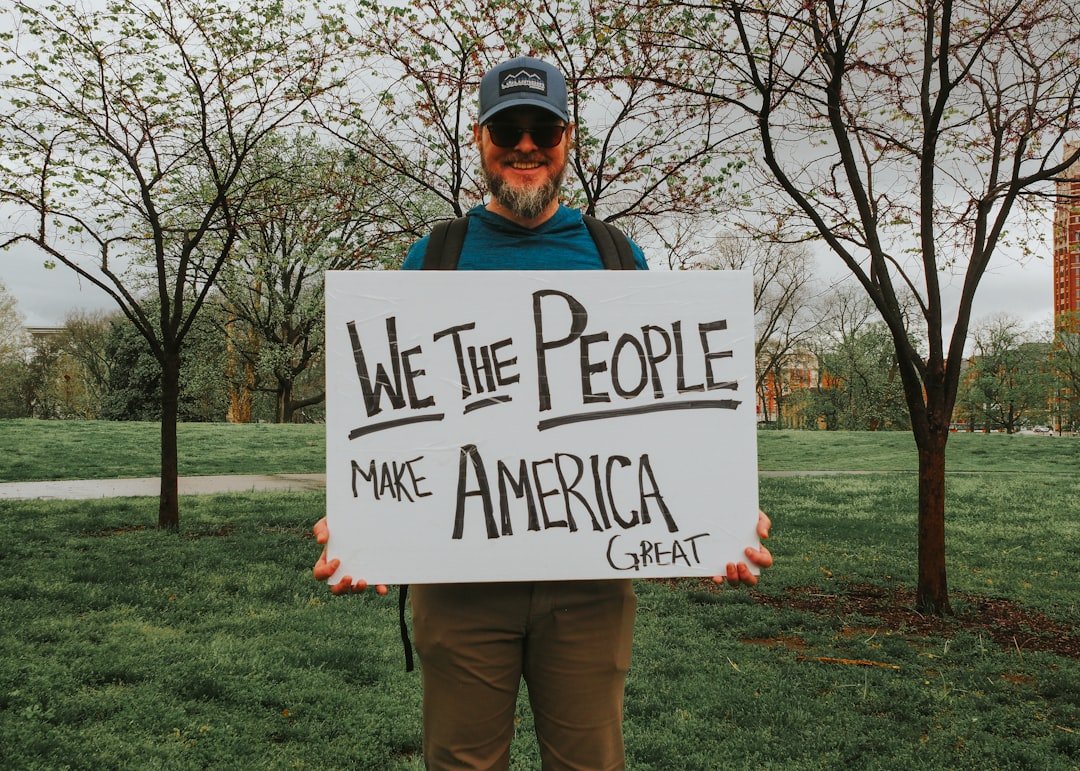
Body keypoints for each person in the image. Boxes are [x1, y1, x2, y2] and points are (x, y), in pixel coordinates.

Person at [313, 56, 773, 771]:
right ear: (479, 139)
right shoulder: (434, 258)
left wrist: (718, 514)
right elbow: (397, 414)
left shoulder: (618, 257)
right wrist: (362, 514)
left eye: (543, 129)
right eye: (508, 129)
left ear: (568, 139)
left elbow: (659, 420)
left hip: (588, 584)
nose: (525, 145)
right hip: (460, 583)